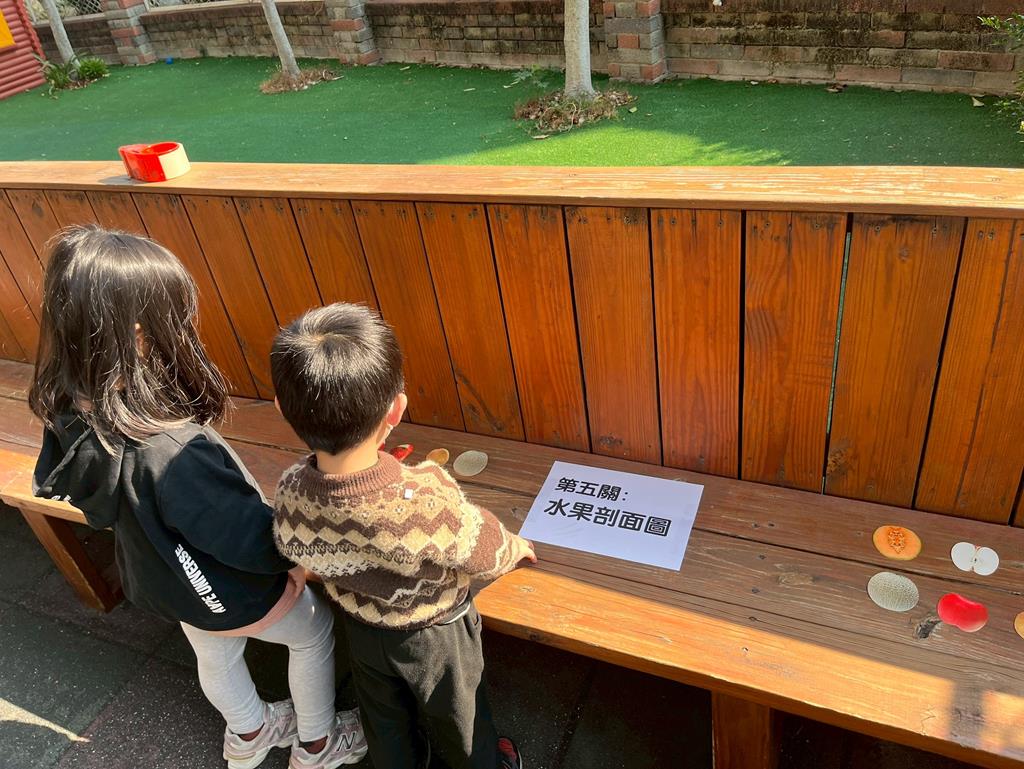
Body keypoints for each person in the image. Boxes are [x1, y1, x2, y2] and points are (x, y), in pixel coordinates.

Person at [29, 226, 366, 769]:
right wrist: (295, 560)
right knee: (313, 633)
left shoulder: (70, 410)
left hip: (167, 580)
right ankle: (318, 744)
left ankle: (250, 732)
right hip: (227, 588)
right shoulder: (173, 454)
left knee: (215, 650)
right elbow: (250, 541)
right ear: (140, 336)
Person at [270, 303, 536, 769]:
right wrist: (514, 547)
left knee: (385, 721)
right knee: (461, 719)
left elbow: (291, 543)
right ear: (396, 409)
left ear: (281, 409)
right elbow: (480, 548)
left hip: (361, 625)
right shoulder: (422, 495)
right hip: (436, 636)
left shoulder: (292, 491)